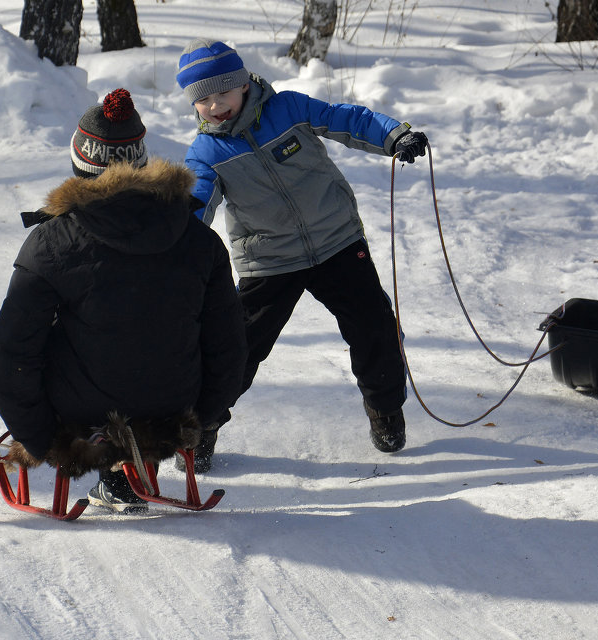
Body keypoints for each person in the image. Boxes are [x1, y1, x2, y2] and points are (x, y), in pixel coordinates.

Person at [0, 88, 246, 514]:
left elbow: (10, 357)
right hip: (171, 414)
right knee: (132, 332)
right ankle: (121, 482)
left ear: (81, 165)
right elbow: (228, 348)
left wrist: (42, 440)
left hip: (82, 419)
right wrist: (198, 420)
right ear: (142, 163)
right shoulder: (200, 240)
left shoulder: (54, 243)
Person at [173, 38, 429, 470]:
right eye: (204, 101)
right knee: (236, 347)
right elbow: (195, 204)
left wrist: (393, 135)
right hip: (268, 260)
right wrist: (170, 241)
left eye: (223, 94)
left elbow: (344, 119)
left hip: (337, 240)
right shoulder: (206, 153)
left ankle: (385, 410)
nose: (216, 106)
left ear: (242, 85)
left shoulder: (288, 108)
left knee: (374, 327)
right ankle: (203, 426)